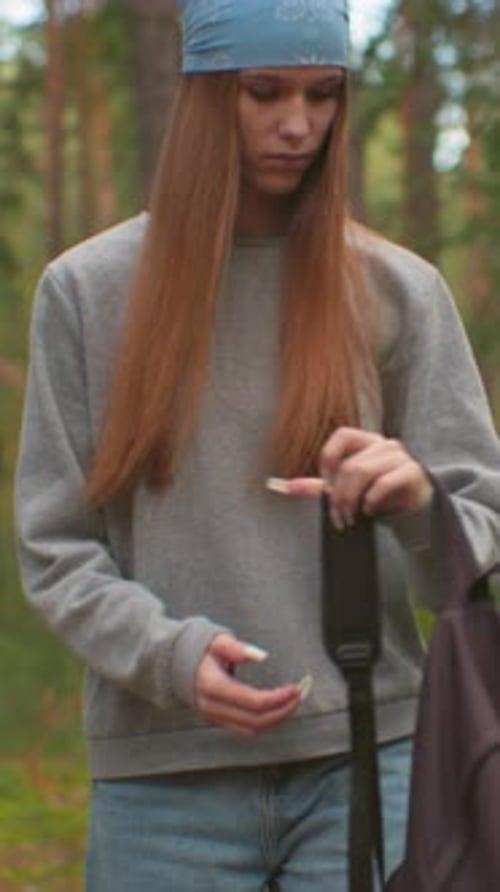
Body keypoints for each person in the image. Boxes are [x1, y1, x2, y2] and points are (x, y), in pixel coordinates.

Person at [14, 1, 500, 890]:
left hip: (367, 760)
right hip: (162, 783)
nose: (297, 125)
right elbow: (56, 551)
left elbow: (474, 549)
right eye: (263, 92)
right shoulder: (87, 293)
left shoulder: (398, 291)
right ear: (203, 97)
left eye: (324, 96)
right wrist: (171, 655)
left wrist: (421, 502)